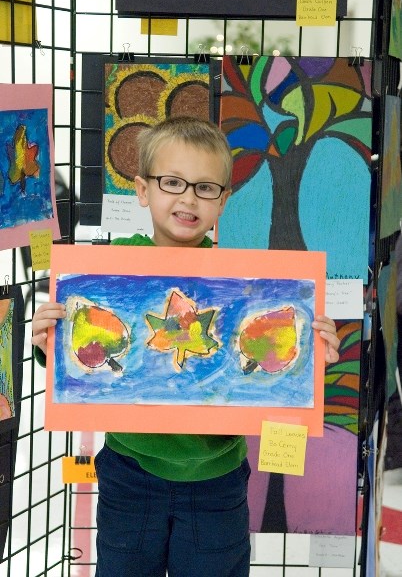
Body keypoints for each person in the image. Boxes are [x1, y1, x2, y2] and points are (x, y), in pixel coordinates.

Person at [32, 116, 340, 577]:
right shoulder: (109, 273)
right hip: (129, 473)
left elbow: (274, 362)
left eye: (205, 188)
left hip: (217, 480)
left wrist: (315, 353)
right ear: (142, 190)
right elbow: (77, 358)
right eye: (172, 182)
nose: (188, 198)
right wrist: (48, 339)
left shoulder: (245, 285)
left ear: (223, 202)